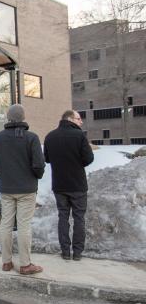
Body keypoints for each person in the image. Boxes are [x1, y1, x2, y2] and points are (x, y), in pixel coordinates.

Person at [0, 104, 45, 275]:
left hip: (7, 188)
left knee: (6, 224)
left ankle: (6, 262)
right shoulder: (32, 138)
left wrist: (4, 175)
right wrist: (34, 176)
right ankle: (25, 264)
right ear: (23, 118)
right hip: (27, 189)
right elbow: (39, 165)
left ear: (8, 117)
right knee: (24, 225)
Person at [44, 110, 94, 261]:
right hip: (78, 184)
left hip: (59, 184)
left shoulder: (50, 136)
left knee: (63, 217)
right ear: (70, 119)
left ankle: (65, 251)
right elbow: (89, 158)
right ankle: (77, 252)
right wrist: (77, 163)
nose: (81, 122)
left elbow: (47, 159)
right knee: (79, 218)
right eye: (79, 118)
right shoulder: (79, 136)